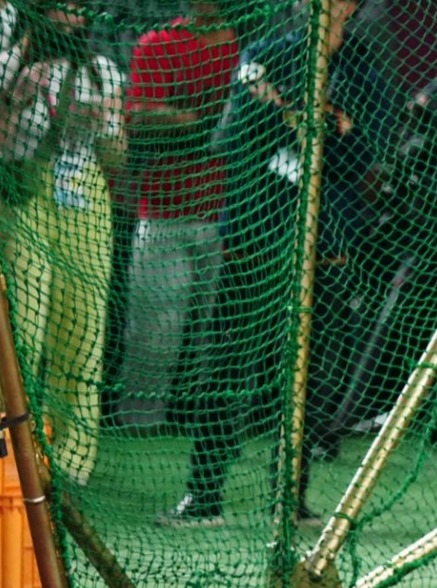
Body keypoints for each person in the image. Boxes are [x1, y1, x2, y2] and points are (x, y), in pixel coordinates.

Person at [158, 0, 382, 526]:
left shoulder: (362, 71)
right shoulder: (264, 55)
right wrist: (314, 125)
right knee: (225, 369)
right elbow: (236, 139)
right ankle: (204, 493)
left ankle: (291, 495)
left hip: (322, 248)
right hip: (254, 239)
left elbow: (361, 159)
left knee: (306, 377)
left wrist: (301, 121)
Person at [2, 0, 125, 486]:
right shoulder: (11, 58)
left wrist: (99, 121)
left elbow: (118, 155)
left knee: (82, 330)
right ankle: (14, 452)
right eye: (62, 7)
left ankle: (71, 463)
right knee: (22, 331)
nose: (72, 14)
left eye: (79, 8)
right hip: (23, 191)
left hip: (84, 198)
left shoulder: (101, 70)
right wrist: (15, 97)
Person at [117, 1, 239, 431]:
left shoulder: (247, 40)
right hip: (164, 210)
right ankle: (140, 424)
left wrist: (191, 114)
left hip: (233, 213)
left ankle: (204, 422)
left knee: (218, 336)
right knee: (155, 334)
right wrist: (206, 119)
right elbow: (140, 118)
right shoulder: (161, 43)